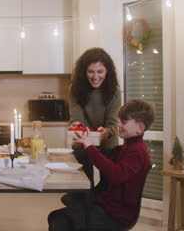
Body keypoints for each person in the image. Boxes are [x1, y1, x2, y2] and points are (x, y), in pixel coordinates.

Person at [48, 99, 154, 231]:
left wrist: (90, 146)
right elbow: (105, 162)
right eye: (119, 120)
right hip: (106, 205)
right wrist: (90, 140)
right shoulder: (127, 147)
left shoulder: (137, 152)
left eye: (124, 122)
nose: (118, 124)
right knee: (58, 216)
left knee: (60, 221)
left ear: (140, 128)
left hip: (116, 215)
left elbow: (115, 174)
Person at [69, 47, 121, 150]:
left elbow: (113, 124)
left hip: (108, 145)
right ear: (84, 72)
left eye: (100, 72)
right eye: (91, 72)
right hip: (82, 143)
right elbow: (77, 119)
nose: (95, 77)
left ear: (107, 71)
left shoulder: (114, 91)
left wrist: (107, 132)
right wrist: (76, 126)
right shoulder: (75, 89)